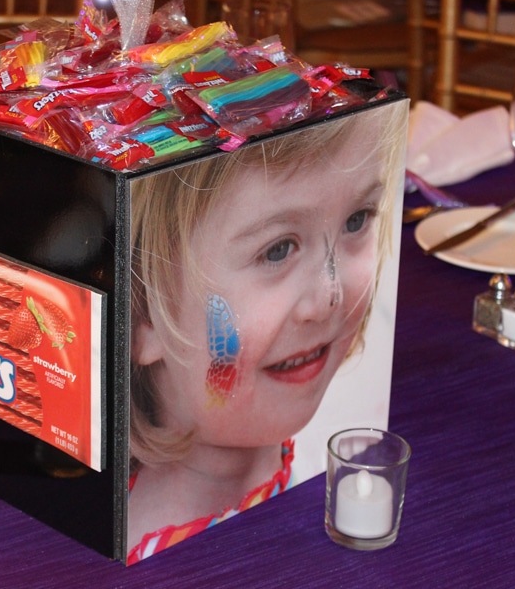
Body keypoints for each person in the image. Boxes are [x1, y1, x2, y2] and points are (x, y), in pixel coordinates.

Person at [127, 100, 406, 563]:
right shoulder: (159, 557)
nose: (329, 297)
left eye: (356, 220)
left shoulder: (332, 454)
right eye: (277, 251)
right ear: (143, 317)